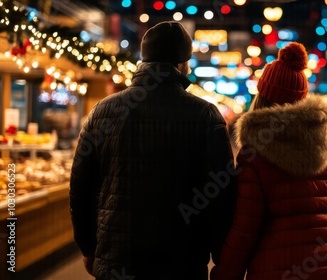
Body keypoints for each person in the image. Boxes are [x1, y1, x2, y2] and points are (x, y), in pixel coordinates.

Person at [70, 21, 236, 280]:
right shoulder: (204, 114)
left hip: (116, 259)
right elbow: (220, 194)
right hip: (182, 262)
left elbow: (80, 187)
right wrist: (222, 256)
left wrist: (88, 247)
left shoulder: (102, 111)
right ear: (182, 63)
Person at [210, 42, 327, 280]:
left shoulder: (254, 152)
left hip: (276, 267)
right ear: (303, 96)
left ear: (263, 96)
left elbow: (246, 227)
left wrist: (225, 273)